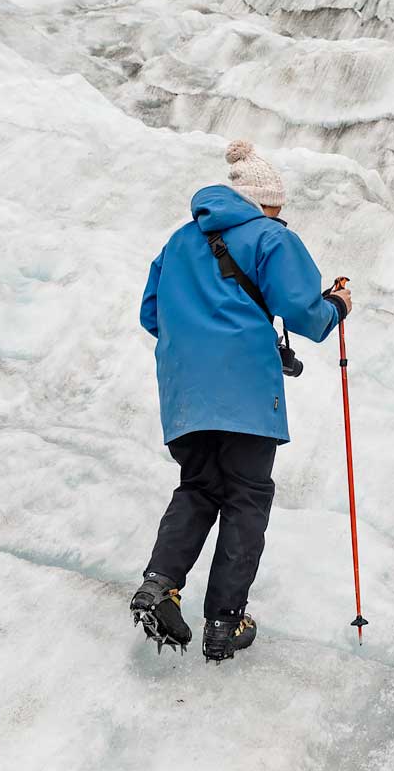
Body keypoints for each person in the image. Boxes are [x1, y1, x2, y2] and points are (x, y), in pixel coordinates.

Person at [133, 140, 353, 661]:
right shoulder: (271, 238)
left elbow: (150, 314)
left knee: (199, 487)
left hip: (185, 394)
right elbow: (304, 313)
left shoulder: (180, 241)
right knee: (247, 497)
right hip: (245, 395)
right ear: (266, 201)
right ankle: (223, 622)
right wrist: (337, 306)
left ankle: (159, 584)